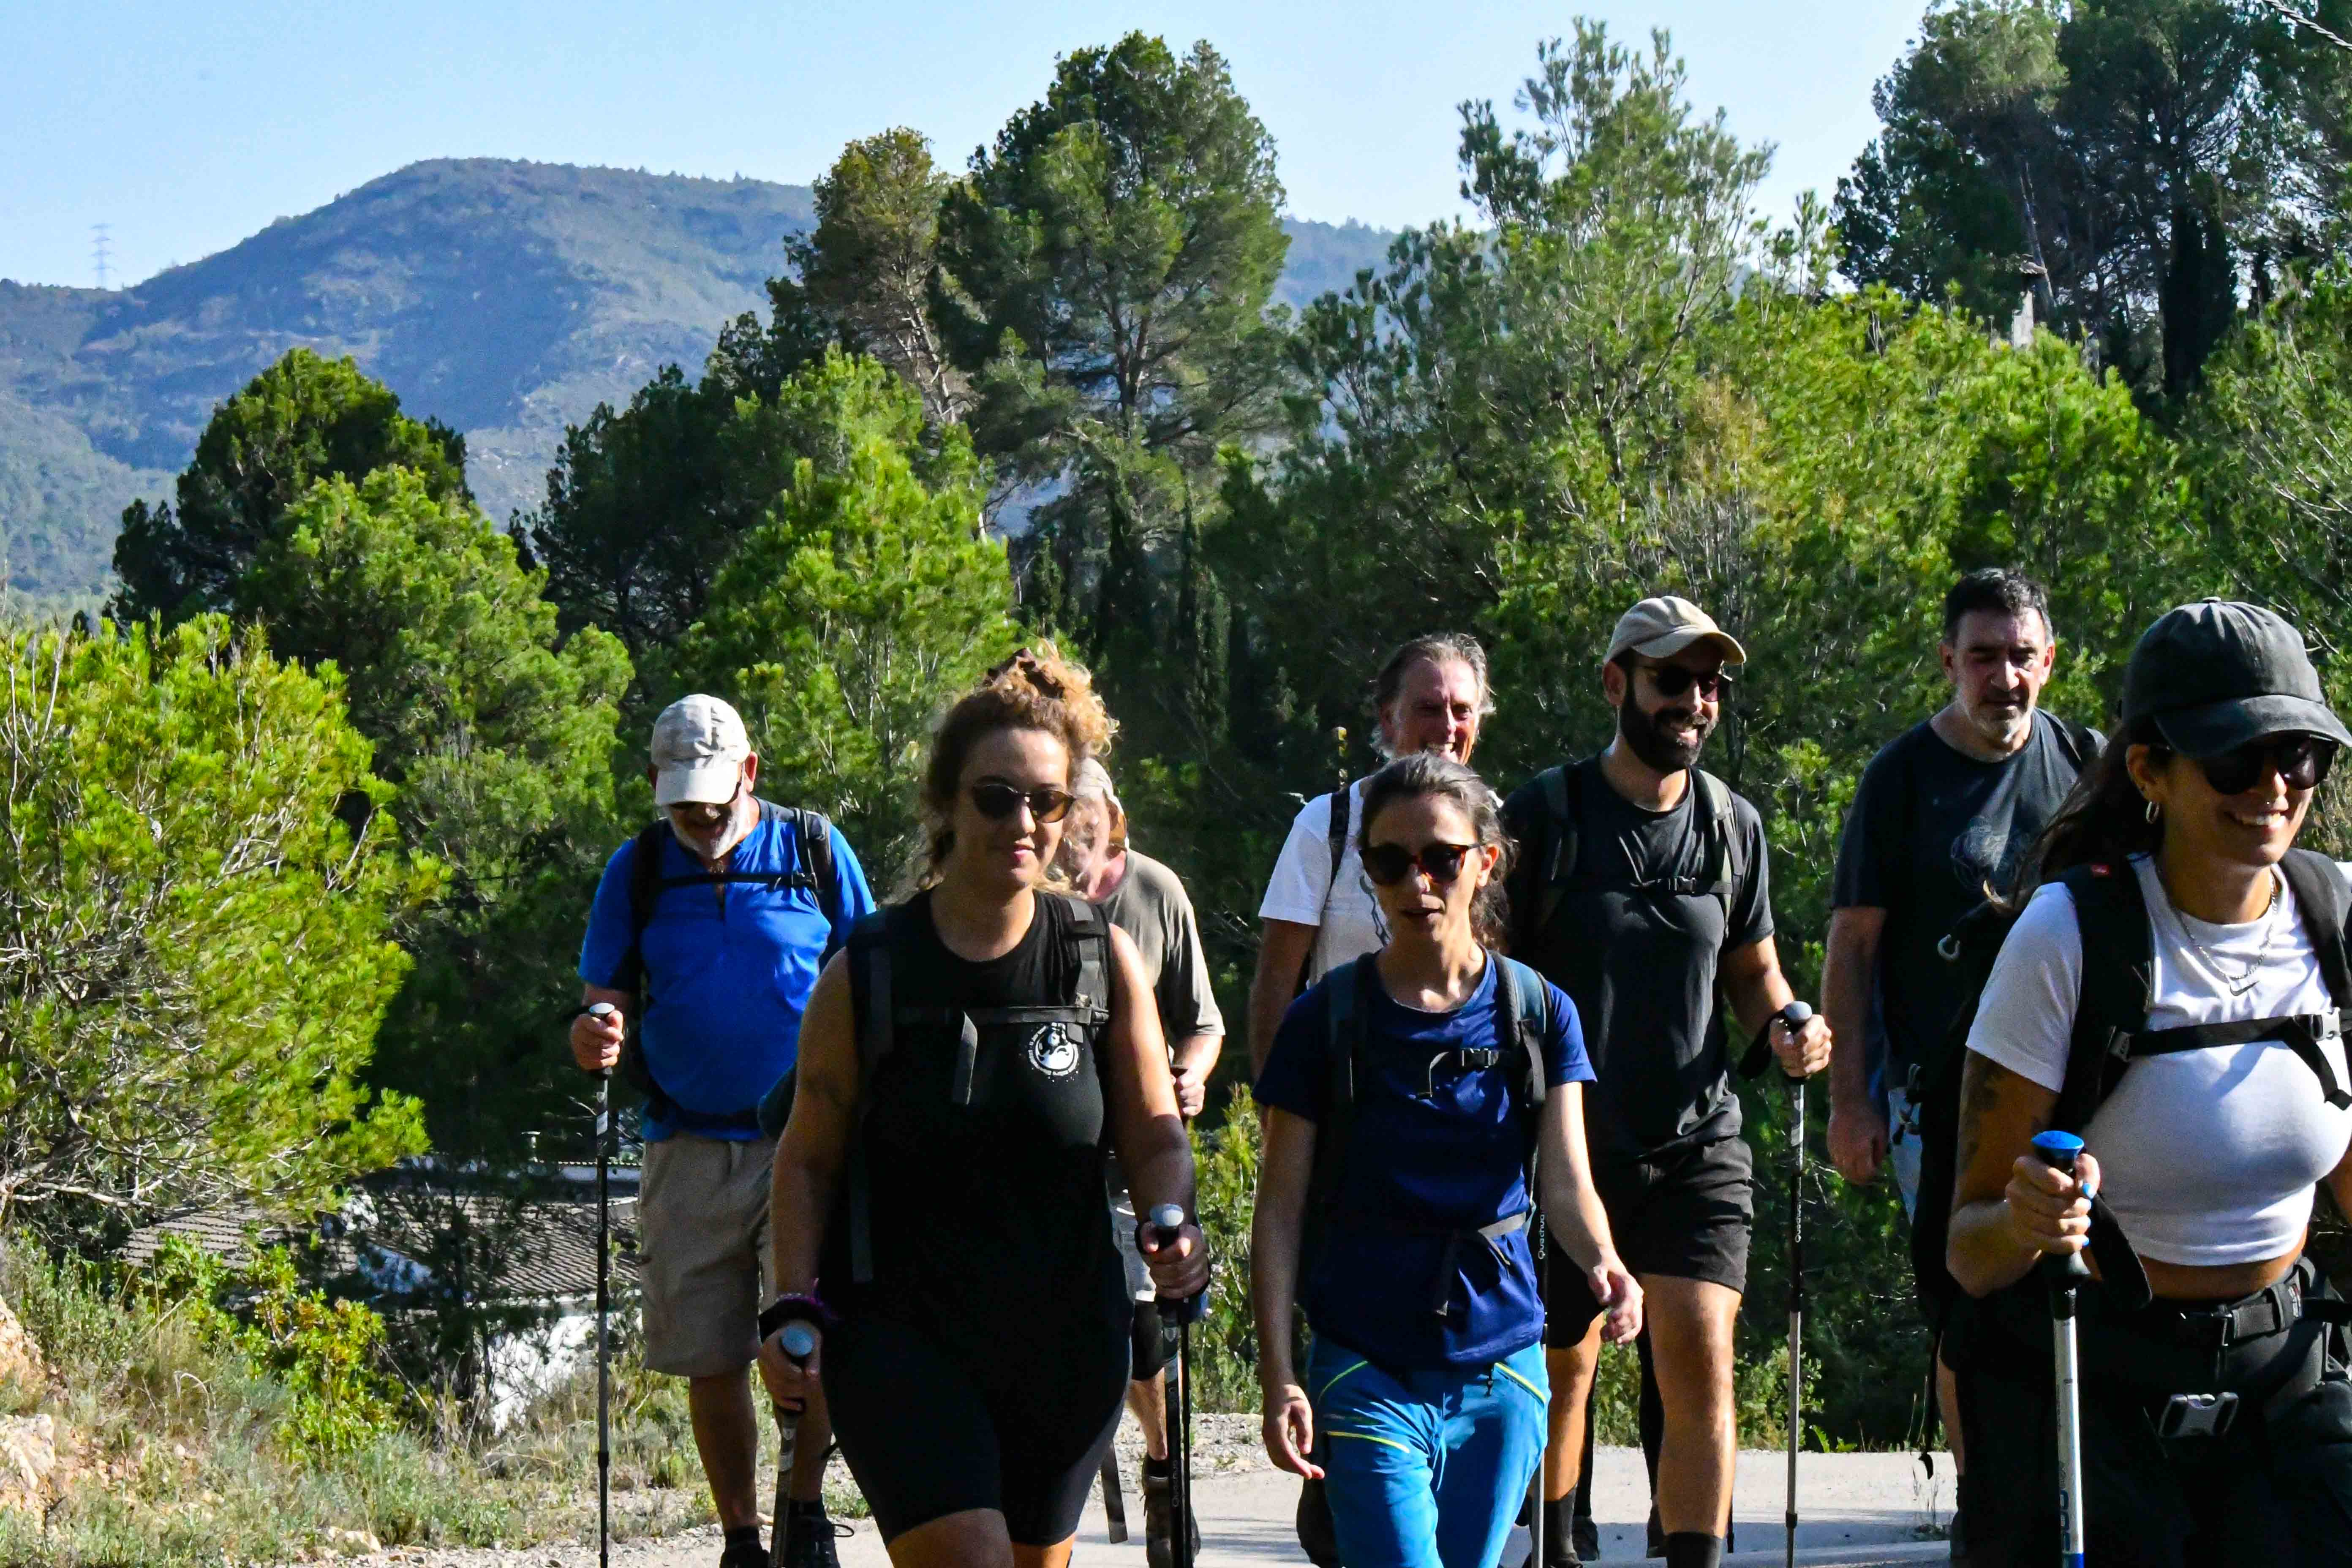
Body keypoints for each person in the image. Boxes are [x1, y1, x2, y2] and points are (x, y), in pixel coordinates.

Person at [754, 645, 1209, 1568]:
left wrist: (1173, 1220)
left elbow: (1155, 1135)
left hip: (1066, 1345)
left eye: (1048, 800)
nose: (1024, 821)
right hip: (902, 1337)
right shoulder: (870, 970)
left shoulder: (1099, 959)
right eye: (996, 797)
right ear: (946, 803)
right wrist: (788, 1302)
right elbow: (806, 1157)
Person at [1946, 599, 2352, 1567]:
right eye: (2234, 759)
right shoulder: (2067, 935)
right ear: (2148, 770)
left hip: (2287, 1376)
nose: (2273, 786)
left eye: (2299, 755)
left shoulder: (2337, 917)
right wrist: (2028, 1220)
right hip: (2099, 1382)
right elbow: (1970, 1250)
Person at [1501, 596, 1830, 1568]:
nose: (1695, 700)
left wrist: (1789, 1023)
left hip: (1695, 1141)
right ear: (1618, 684)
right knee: (1565, 1372)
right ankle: (1558, 1546)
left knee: (1703, 1365)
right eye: (1672, 680)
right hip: (1567, 1148)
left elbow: (1752, 972)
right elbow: (1491, 972)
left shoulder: (1731, 825)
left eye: (1710, 683)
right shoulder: (1545, 817)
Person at [1252, 751, 1644, 1568]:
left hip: (1504, 1371)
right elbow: (1279, 1210)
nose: (1417, 881)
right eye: (1389, 861)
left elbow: (1566, 1181)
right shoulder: (1323, 1021)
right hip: (1364, 1361)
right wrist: (1278, 1372)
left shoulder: (1537, 1011)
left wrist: (1606, 1263)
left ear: (1485, 862)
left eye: (1441, 857)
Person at [1820, 569, 2099, 1529]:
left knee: (2081, 1294)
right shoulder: (1900, 779)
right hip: (1936, 1098)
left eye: (2021, 656)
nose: (2003, 677)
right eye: (1982, 657)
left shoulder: (2084, 763)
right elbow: (1852, 945)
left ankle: (2077, 1498)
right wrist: (1849, 1100)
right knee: (1968, 1307)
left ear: (2049, 661)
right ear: (1947, 661)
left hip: (2075, 1088)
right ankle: (1988, 1512)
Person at [572, 694, 877, 1568]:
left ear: (749, 772)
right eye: (682, 804)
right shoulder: (637, 869)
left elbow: (873, 975)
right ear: (654, 785)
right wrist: (592, 1034)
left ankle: (804, 1514)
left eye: (713, 800)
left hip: (805, 1144)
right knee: (711, 1355)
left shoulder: (813, 849)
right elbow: (600, 1001)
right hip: (685, 1143)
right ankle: (741, 1536)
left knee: (806, 1338)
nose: (700, 819)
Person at [1056, 758, 1225, 1568]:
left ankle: (1162, 1466)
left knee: (1140, 1329)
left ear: (1111, 822)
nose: (1067, 848)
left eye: (1081, 828)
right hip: (1055, 1158)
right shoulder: (1020, 902)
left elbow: (1204, 1021)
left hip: (1135, 1158)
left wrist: (1187, 1073)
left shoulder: (1156, 893)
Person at [1249, 632, 1494, 1078]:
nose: (1448, 727)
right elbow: (1276, 983)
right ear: (1388, 718)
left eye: (1462, 710)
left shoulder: (1496, 827)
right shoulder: (1327, 824)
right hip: (1348, 1087)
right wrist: (1276, 1100)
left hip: (1463, 1091)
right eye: (1428, 709)